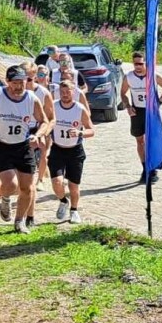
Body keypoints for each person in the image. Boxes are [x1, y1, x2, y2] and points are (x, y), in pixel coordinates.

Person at [0, 66, 53, 234]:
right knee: (10, 184)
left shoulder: (31, 98)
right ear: (8, 82)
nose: (19, 87)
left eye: (22, 82)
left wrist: (37, 135)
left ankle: (19, 221)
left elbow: (44, 121)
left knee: (27, 188)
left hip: (23, 145)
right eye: (15, 83)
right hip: (1, 145)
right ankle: (5, 198)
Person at [120, 51, 162, 183]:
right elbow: (123, 93)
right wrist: (128, 106)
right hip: (137, 112)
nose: (138, 66)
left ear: (145, 63)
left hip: (151, 111)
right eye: (135, 63)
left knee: (151, 140)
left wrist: (159, 102)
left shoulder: (153, 76)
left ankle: (153, 168)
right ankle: (145, 168)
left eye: (140, 64)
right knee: (140, 141)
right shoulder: (129, 77)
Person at [50, 80, 95, 224]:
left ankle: (74, 211)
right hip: (57, 149)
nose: (64, 95)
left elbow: (92, 130)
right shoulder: (53, 106)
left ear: (73, 92)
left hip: (75, 151)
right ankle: (63, 200)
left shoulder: (80, 108)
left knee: (73, 184)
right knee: (57, 182)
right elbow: (45, 122)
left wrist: (79, 132)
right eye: (62, 92)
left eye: (67, 92)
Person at [24, 61, 56, 226]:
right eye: (22, 78)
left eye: (29, 79)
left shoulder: (43, 93)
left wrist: (42, 133)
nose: (25, 82)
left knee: (32, 175)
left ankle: (30, 216)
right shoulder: (11, 93)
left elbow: (51, 118)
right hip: (16, 137)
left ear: (35, 77)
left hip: (36, 133)